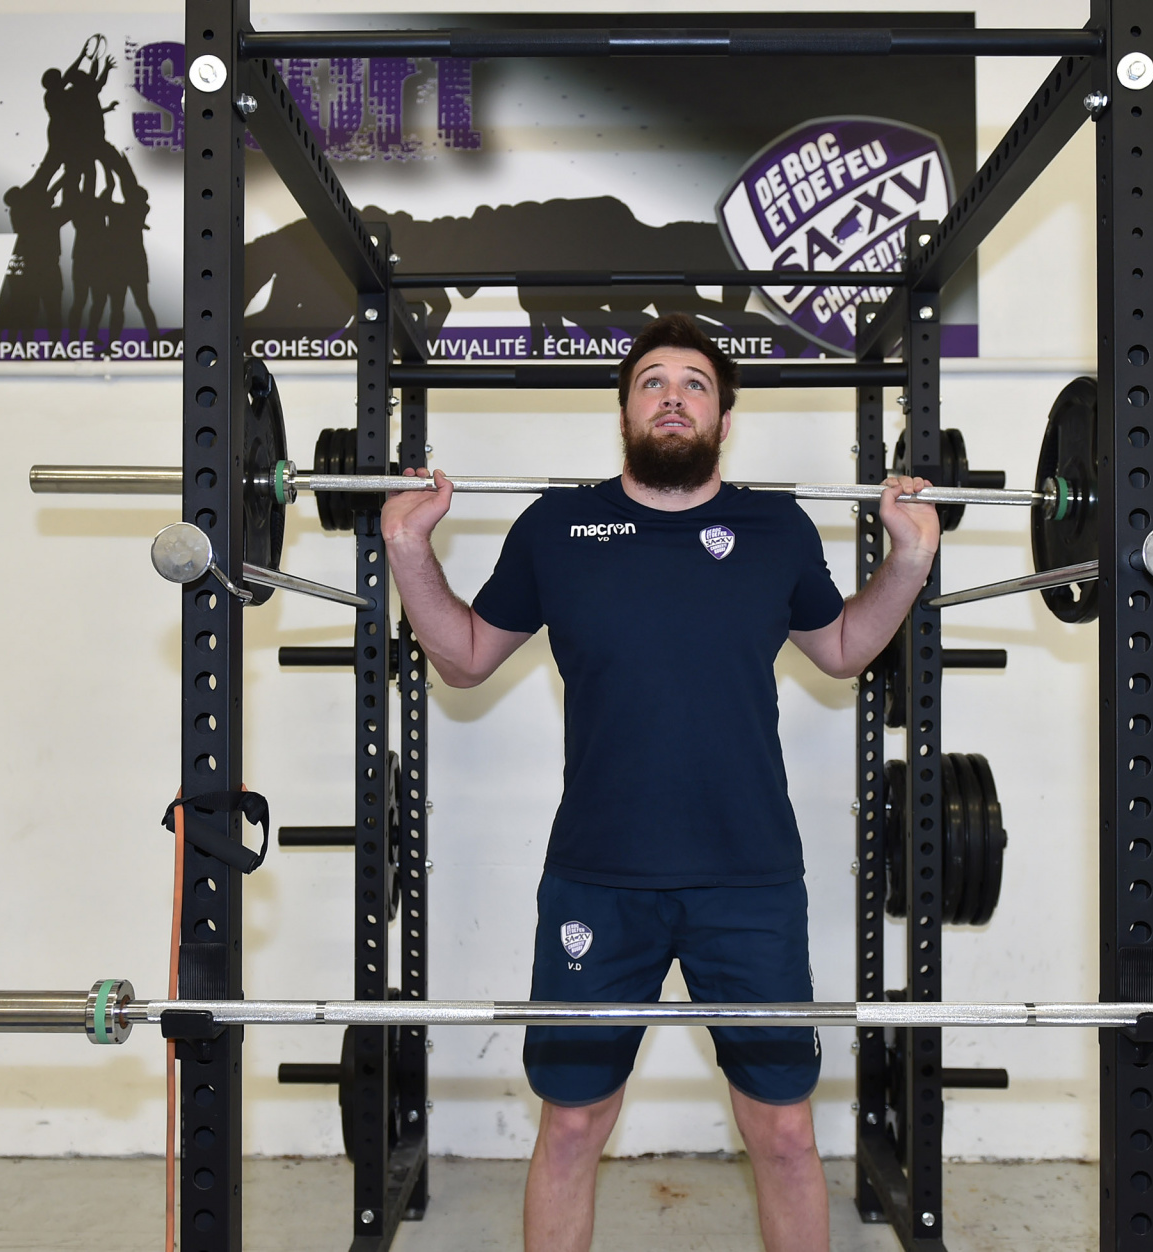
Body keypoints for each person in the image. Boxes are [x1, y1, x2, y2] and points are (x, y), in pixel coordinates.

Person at [381, 314, 940, 1252]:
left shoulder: (777, 527)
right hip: (598, 878)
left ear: (724, 421)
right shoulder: (557, 527)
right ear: (626, 413)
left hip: (750, 880)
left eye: (694, 383)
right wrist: (408, 550)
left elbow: (842, 649)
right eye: (652, 381)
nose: (673, 394)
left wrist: (911, 559)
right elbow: (468, 657)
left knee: (787, 1131)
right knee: (569, 1126)